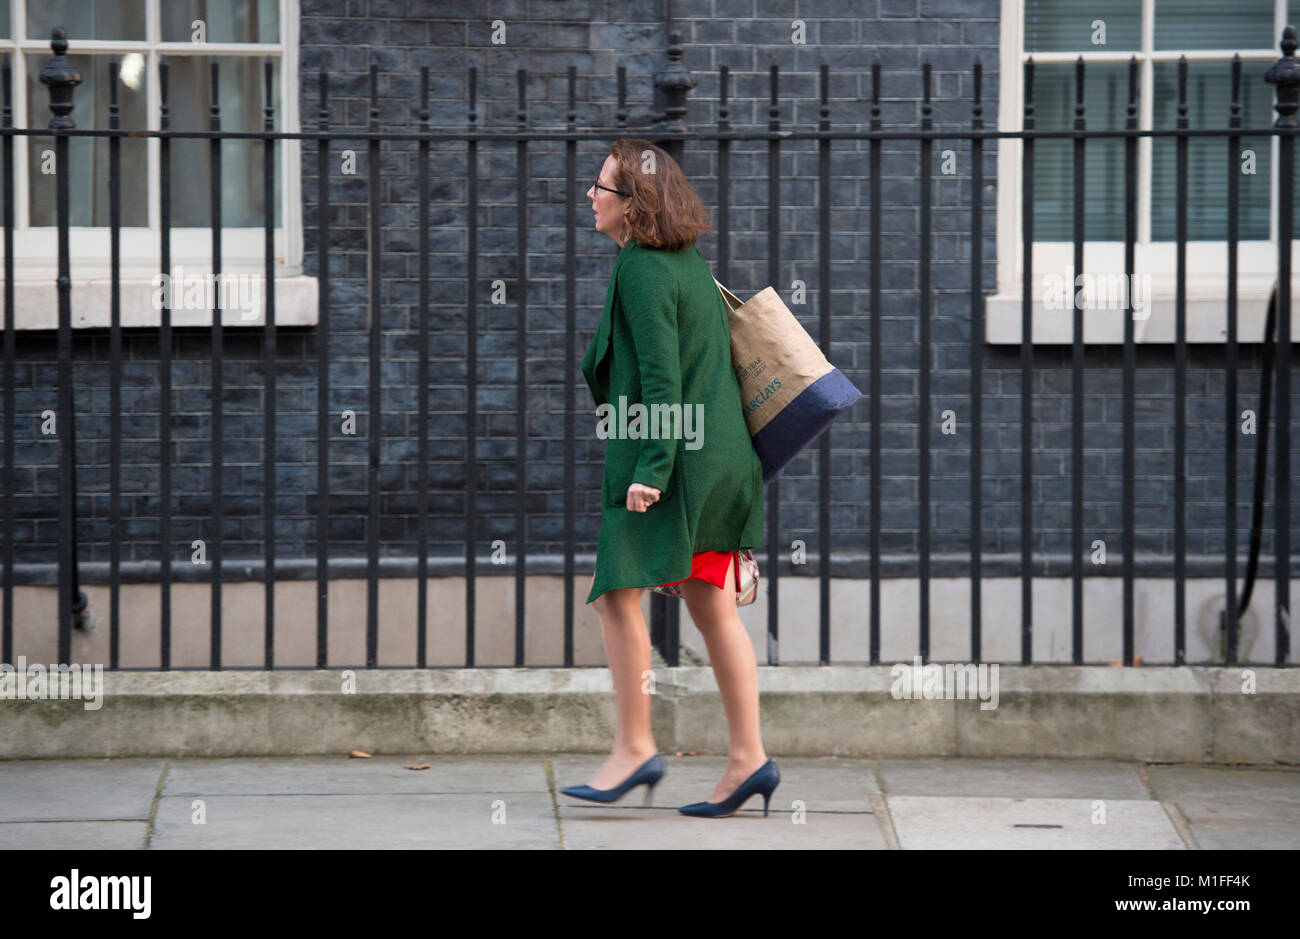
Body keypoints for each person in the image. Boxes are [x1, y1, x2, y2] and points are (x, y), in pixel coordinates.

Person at [558, 139, 780, 818]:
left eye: (602, 189)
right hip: (715, 461)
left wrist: (650, 470)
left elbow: (662, 380)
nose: (590, 197)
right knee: (709, 605)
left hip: (674, 460)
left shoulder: (643, 269)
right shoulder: (682, 262)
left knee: (615, 593)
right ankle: (750, 760)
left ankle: (635, 747)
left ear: (635, 204)